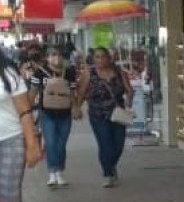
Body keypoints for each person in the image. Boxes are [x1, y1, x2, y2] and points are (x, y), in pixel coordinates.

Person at [0, 49, 43, 202]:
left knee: (9, 195)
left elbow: (25, 112)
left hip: (11, 141)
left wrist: (32, 145)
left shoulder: (8, 74)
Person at [74, 46, 133, 188]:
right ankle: (107, 173)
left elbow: (129, 90)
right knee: (106, 145)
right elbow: (81, 92)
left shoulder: (119, 72)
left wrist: (129, 100)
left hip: (118, 114)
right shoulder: (89, 73)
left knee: (118, 145)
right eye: (97, 57)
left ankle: (111, 166)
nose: (100, 60)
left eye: (103, 57)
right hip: (98, 114)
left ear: (109, 58)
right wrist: (77, 108)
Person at [29, 47, 78, 188]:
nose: (55, 58)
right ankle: (52, 172)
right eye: (51, 55)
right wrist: (27, 112)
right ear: (46, 57)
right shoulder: (39, 73)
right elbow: (32, 92)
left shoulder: (69, 72)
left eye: (57, 55)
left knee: (61, 145)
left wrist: (75, 107)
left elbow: (73, 91)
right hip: (46, 113)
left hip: (65, 114)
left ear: (62, 57)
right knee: (50, 143)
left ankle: (60, 171)